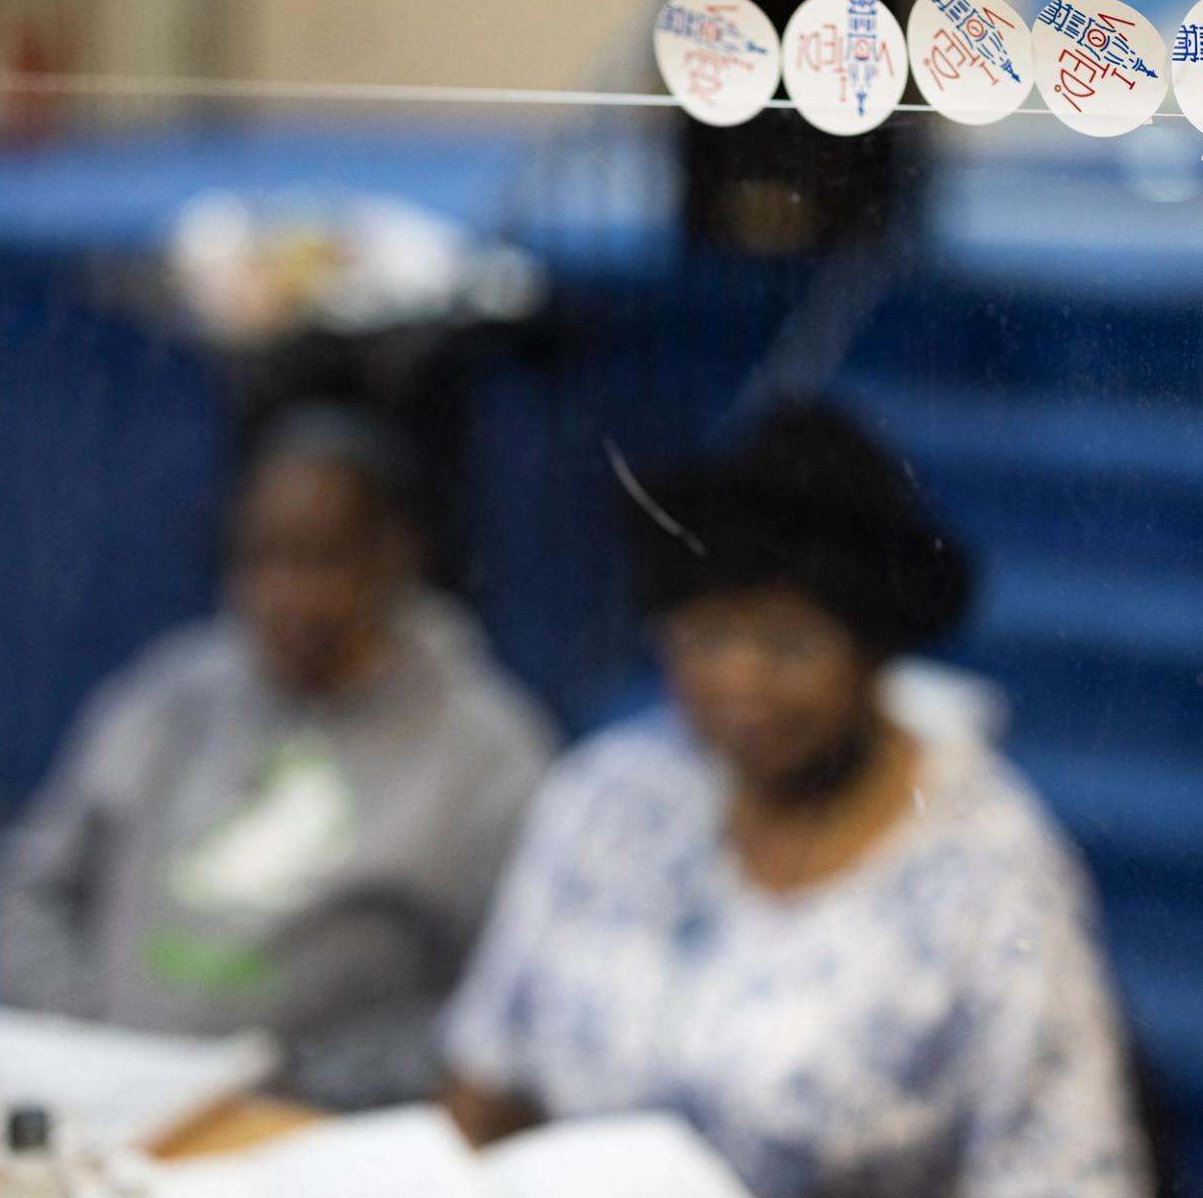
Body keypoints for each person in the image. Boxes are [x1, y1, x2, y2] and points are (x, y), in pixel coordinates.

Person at [440, 405, 1148, 1198]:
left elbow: (1068, 1172)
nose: (740, 680)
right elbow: (484, 1078)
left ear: (874, 648)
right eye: (707, 636)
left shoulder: (989, 862)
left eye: (789, 643)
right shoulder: (607, 796)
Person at [0, 404, 555, 1108]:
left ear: (398, 554)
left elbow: (508, 1002)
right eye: (259, 557)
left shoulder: (489, 754)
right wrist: (82, 1042)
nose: (284, 594)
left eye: (322, 559)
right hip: (101, 1098)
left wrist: (315, 1085)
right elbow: (35, 889)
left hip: (316, 1128)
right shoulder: (167, 693)